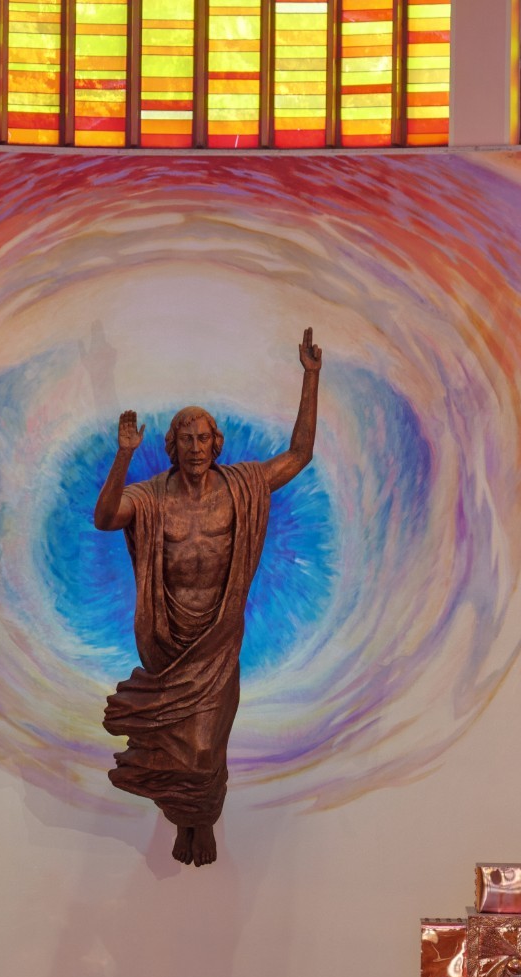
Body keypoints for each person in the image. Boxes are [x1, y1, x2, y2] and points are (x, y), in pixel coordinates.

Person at [94, 328, 323, 867]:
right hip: (167, 641)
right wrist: (123, 456)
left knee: (204, 748)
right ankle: (188, 821)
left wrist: (311, 378)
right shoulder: (150, 498)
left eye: (203, 439)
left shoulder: (241, 486)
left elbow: (300, 454)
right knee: (175, 752)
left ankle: (200, 816)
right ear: (171, 447)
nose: (195, 449)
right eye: (186, 440)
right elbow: (105, 518)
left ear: (215, 444)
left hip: (217, 642)